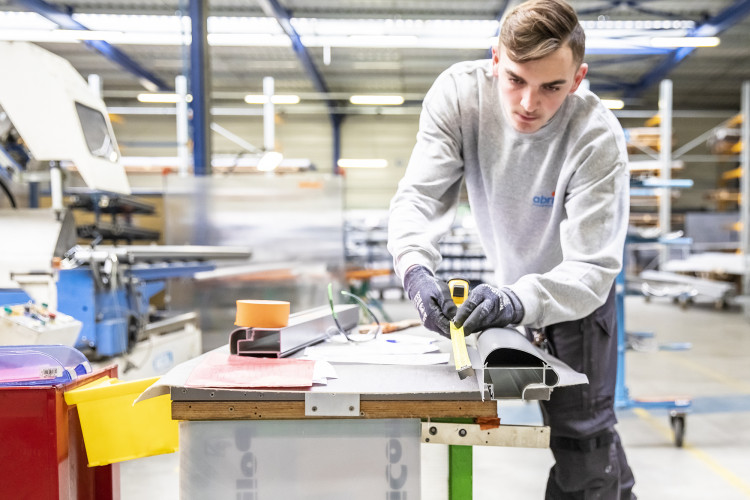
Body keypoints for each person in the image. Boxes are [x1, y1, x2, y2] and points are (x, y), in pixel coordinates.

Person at [387, 0, 636, 497]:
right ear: (495, 58)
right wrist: (415, 269)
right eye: (516, 79)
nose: (528, 103)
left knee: (581, 441)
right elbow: (419, 197)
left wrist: (515, 301)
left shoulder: (596, 137)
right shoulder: (459, 96)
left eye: (552, 87)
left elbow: (591, 268)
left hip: (574, 298)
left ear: (579, 77)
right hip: (510, 289)